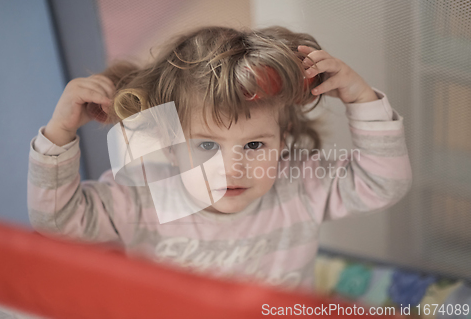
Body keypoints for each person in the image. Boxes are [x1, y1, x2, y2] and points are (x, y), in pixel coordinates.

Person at [27, 25, 412, 292]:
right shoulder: (144, 192)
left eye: (255, 146)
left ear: (284, 138)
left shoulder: (299, 184)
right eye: (207, 145)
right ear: (167, 141)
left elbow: (383, 182)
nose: (232, 167)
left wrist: (362, 101)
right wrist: (59, 135)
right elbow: (57, 220)